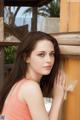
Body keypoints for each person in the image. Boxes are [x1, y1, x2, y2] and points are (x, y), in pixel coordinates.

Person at [0, 31, 65, 120]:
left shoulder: (19, 83)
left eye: (51, 54)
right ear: (26, 57)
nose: (49, 60)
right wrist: (58, 97)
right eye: (41, 54)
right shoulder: (30, 87)